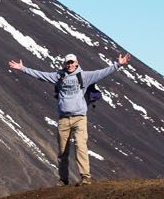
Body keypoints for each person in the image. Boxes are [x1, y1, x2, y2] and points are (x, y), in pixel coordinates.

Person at [8, 52, 132, 185]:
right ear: (65, 64)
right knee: (62, 151)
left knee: (81, 146)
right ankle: (63, 179)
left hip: (79, 118)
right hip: (63, 120)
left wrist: (118, 64)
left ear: (77, 63)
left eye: (72, 62)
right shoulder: (58, 76)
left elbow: (102, 73)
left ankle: (85, 177)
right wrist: (22, 68)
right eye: (68, 62)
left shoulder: (84, 76)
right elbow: (41, 75)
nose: (70, 65)